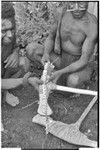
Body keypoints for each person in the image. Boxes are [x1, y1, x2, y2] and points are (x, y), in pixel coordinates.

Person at [26, 2, 97, 88]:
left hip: (79, 64)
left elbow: (83, 60)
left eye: (81, 3)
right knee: (31, 49)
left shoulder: (92, 24)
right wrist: (46, 53)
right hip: (61, 58)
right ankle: (56, 73)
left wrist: (60, 72)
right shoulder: (61, 13)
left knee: (73, 80)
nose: (76, 9)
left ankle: (80, 80)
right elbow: (51, 37)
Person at [1, 2, 30, 106]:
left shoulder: (9, 31)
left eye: (12, 29)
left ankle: (4, 91)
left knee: (24, 63)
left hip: (3, 70)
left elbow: (15, 46)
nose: (10, 35)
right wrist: (25, 81)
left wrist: (14, 53)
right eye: (4, 31)